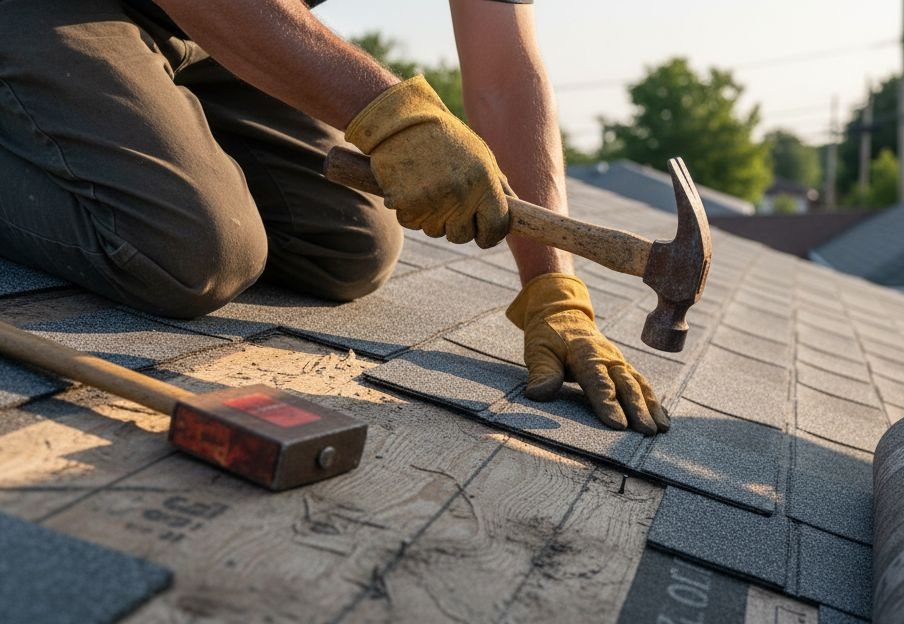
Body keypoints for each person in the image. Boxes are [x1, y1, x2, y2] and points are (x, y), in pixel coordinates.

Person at [0, 0, 670, 435]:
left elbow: (504, 73)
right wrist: (392, 113)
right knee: (187, 249)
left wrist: (554, 292)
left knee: (349, 244)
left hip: (196, 30)